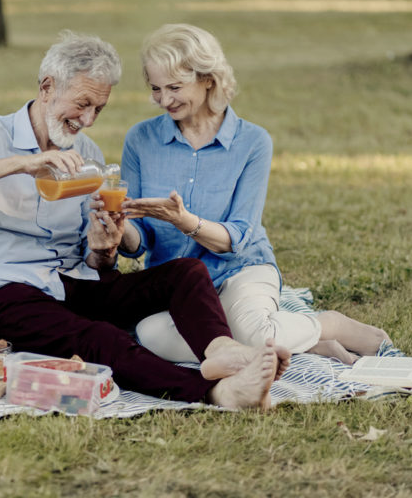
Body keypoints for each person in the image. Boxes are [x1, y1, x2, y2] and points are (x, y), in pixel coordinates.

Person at [0, 30, 285, 409]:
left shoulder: (85, 154)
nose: (88, 119)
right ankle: (214, 392)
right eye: (83, 103)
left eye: (99, 109)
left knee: (186, 272)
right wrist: (24, 164)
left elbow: (95, 260)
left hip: (69, 284)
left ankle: (220, 350)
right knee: (101, 339)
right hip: (3, 292)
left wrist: (104, 246)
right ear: (47, 87)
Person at [116, 24, 390, 365]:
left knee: (251, 332)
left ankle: (326, 325)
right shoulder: (140, 139)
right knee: (150, 336)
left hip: (239, 268)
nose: (164, 100)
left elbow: (239, 236)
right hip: (177, 282)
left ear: (208, 80)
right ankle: (298, 342)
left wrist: (184, 222)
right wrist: (118, 227)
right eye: (156, 88)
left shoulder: (253, 142)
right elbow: (138, 241)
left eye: (174, 87)